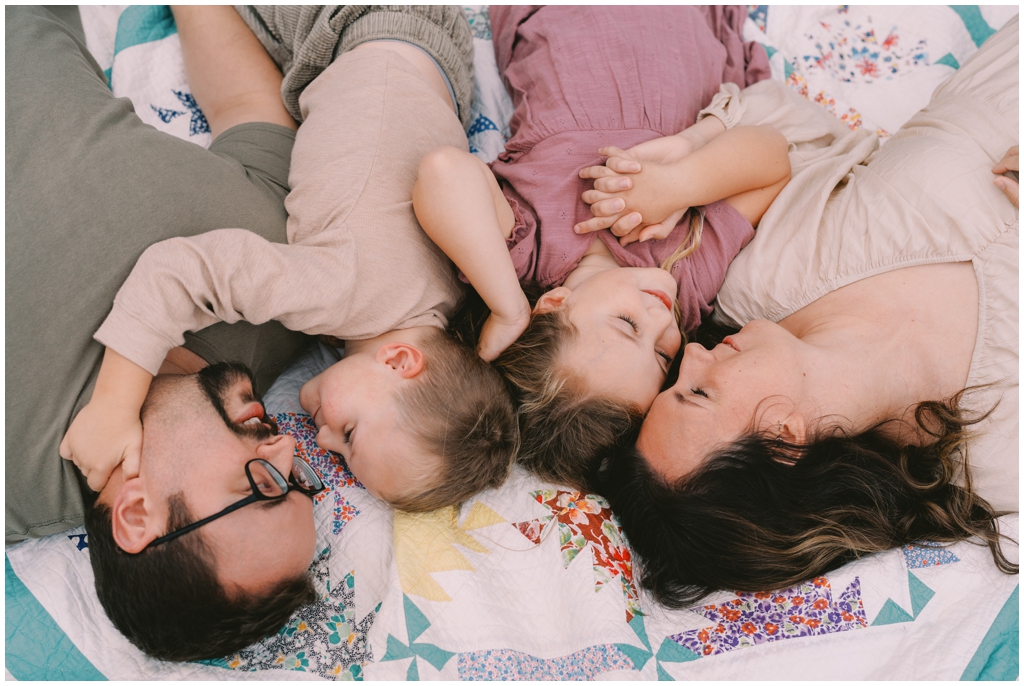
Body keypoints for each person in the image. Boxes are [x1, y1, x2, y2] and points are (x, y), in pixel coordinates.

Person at [594, 15, 1019, 606]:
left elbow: (791, 128)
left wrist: (689, 157)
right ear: (784, 440)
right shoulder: (1001, 454)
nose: (691, 353)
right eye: (699, 392)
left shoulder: (763, 283)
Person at [59, 6, 518, 514]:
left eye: (339, 456)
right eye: (348, 433)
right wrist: (114, 405)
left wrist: (496, 289)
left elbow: (465, 177)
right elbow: (179, 273)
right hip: (355, 19)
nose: (322, 444)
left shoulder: (456, 288)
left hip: (430, 60)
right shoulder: (336, 293)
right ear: (401, 362)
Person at [6, 5, 321, 661]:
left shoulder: (14, 476)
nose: (289, 451)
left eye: (262, 486)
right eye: (299, 481)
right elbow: (246, 108)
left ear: (138, 515)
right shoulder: (281, 298)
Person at [412, 6, 790, 489]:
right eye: (660, 357)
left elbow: (443, 172)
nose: (660, 323)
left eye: (628, 325)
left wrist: (507, 308)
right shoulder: (684, 276)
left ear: (553, 304)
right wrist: (680, 185)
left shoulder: (527, 249)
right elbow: (773, 158)